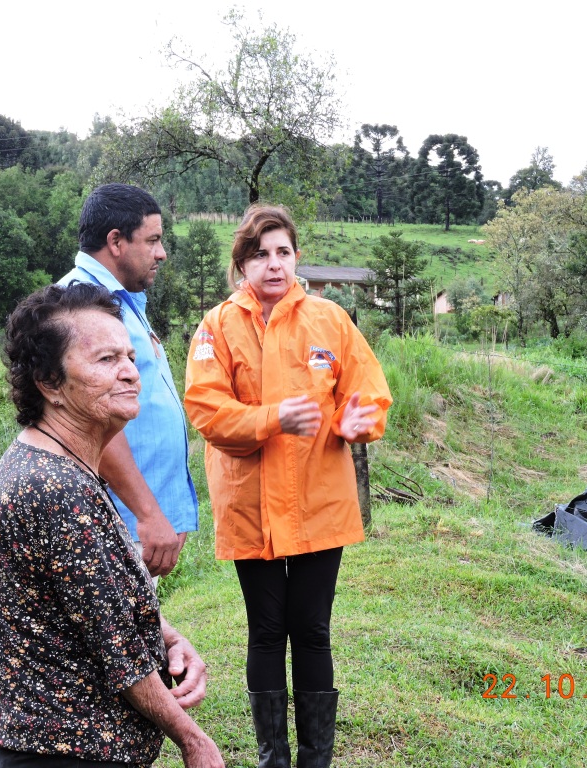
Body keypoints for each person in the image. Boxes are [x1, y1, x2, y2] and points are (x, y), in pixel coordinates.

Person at [0, 282, 223, 768]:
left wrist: (168, 637)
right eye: (106, 360)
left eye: (130, 357)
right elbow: (119, 652)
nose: (130, 373)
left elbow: (95, 603)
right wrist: (193, 740)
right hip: (61, 750)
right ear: (50, 382)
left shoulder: (63, 464)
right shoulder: (54, 488)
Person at [183, 204, 393, 768]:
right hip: (250, 505)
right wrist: (273, 418)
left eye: (282, 252)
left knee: (313, 628)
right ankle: (272, 757)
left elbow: (367, 390)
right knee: (267, 630)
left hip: (319, 502)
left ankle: (315, 759)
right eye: (260, 254)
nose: (273, 265)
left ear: (296, 257)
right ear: (242, 265)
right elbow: (206, 410)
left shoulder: (330, 320)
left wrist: (360, 421)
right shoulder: (217, 326)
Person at [56, 184, 197, 578]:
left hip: (130, 524)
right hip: (114, 525)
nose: (161, 253)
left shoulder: (119, 300)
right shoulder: (80, 306)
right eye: (152, 240)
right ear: (115, 242)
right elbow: (95, 420)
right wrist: (148, 513)